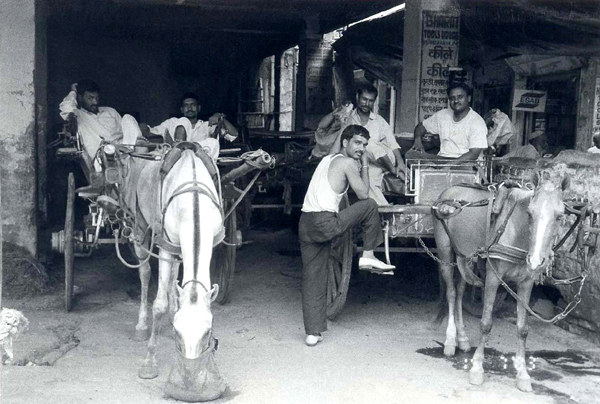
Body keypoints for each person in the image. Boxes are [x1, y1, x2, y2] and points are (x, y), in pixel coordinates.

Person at [299, 124, 395, 347]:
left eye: (364, 145)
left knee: (313, 277)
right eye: (357, 143)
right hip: (324, 222)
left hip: (306, 223)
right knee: (370, 205)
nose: (361, 148)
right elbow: (363, 194)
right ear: (345, 142)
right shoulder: (348, 163)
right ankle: (369, 254)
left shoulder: (327, 160)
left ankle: (312, 333)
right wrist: (364, 164)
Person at [331, 84, 406, 206]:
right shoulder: (348, 118)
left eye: (370, 101)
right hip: (365, 164)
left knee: (364, 142)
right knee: (366, 182)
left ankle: (392, 170)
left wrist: (400, 163)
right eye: (364, 99)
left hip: (385, 159)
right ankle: (386, 212)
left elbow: (392, 143)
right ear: (357, 97)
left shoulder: (379, 120)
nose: (367, 104)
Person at [59, 80, 139, 163]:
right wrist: (73, 91)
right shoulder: (78, 115)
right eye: (90, 98)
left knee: (128, 118)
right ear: (79, 98)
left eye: (97, 98)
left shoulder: (110, 111)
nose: (95, 102)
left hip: (127, 149)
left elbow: (128, 132)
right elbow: (66, 108)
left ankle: (136, 155)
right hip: (104, 155)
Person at [141, 92, 238, 161]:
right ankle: (180, 150)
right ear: (182, 110)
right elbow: (149, 132)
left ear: (199, 108)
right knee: (184, 121)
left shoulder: (207, 125)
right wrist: (142, 127)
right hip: (175, 165)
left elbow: (233, 135)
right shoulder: (172, 122)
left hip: (200, 164)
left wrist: (220, 116)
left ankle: (185, 147)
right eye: (186, 105)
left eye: (193, 105)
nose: (190, 108)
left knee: (213, 142)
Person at [412, 82, 488, 161]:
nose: (456, 101)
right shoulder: (442, 115)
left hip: (465, 163)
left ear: (468, 98)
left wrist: (450, 166)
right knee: (411, 155)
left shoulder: (477, 122)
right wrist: (417, 140)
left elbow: (473, 154)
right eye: (452, 98)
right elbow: (421, 126)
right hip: (442, 159)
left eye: (460, 97)